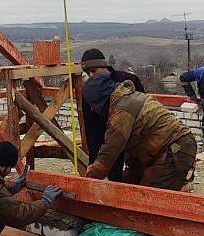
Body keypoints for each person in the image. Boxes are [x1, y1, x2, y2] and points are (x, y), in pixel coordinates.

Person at [82, 73, 196, 191]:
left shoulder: (122, 111)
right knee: (132, 180)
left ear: (97, 100)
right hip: (172, 147)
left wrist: (92, 175)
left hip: (175, 149)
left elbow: (111, 148)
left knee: (150, 196)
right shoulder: (125, 98)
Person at [80, 48, 146, 183]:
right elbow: (91, 127)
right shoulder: (90, 91)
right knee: (114, 175)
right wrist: (94, 160)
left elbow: (144, 108)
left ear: (105, 67)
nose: (91, 76)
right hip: (109, 139)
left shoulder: (128, 79)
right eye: (87, 73)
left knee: (140, 172)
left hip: (135, 135)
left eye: (93, 71)